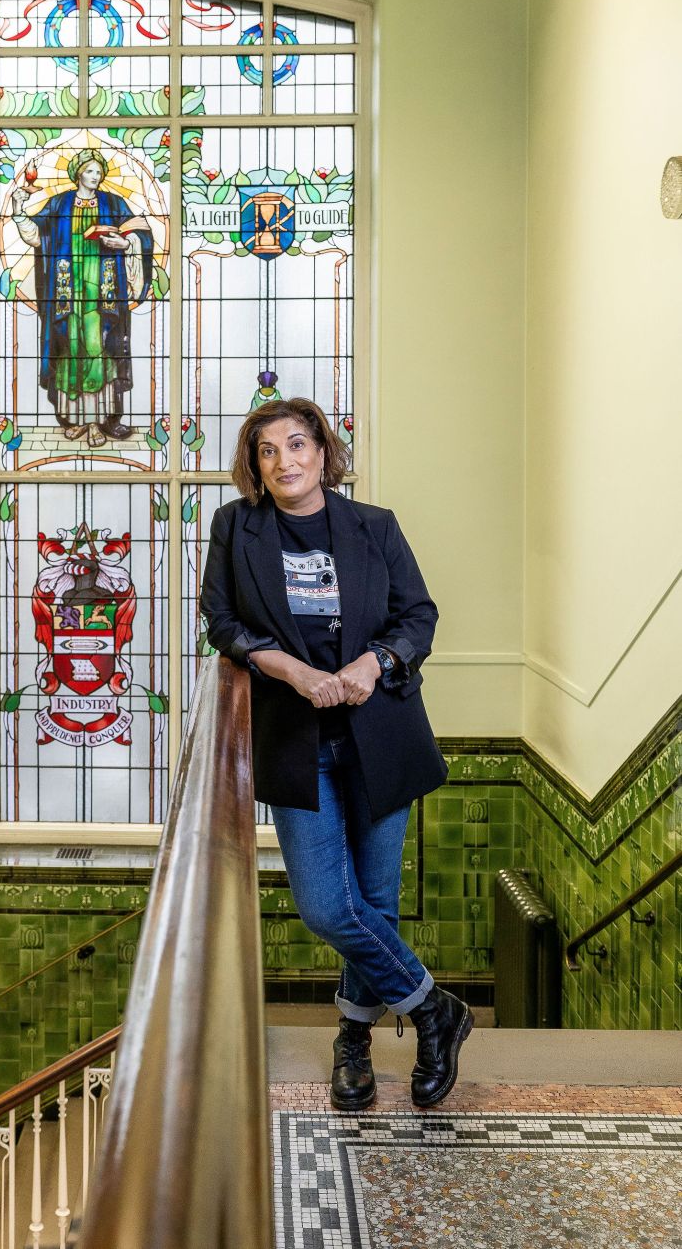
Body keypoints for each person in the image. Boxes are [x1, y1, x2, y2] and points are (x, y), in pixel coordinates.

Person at [200, 397, 473, 1111]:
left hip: (381, 734)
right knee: (328, 905)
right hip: (298, 742)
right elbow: (221, 620)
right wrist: (289, 669)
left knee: (376, 902)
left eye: (298, 444)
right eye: (268, 450)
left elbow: (420, 616)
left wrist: (374, 663)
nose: (285, 460)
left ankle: (352, 1042)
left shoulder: (373, 527)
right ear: (254, 466)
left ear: (324, 452)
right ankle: (432, 1008)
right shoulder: (237, 527)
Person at [9, 148, 154, 448]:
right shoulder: (60, 203)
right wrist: (18, 211)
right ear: (78, 174)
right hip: (66, 292)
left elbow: (141, 232)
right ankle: (74, 420)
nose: (96, 176)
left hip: (103, 294)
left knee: (98, 348)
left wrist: (125, 243)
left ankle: (98, 421)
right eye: (90, 171)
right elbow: (37, 237)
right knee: (69, 350)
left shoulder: (113, 203)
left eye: (99, 172)